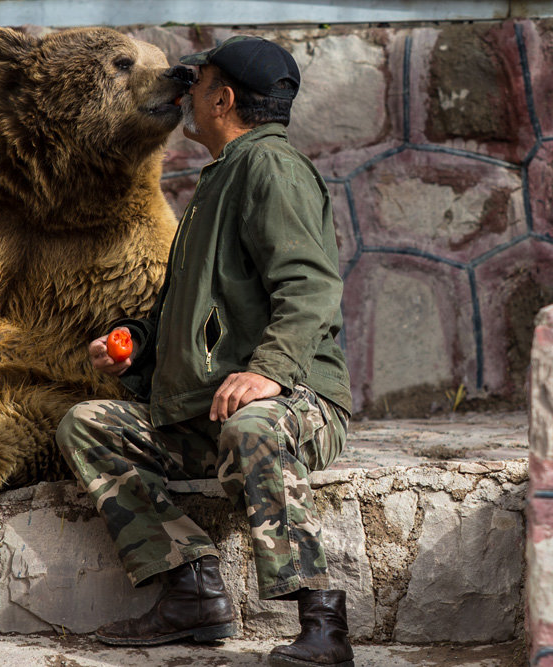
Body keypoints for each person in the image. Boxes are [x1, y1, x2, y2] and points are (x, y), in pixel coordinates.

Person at [56, 36, 354, 667]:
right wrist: (133, 345)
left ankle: (323, 622)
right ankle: (191, 591)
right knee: (89, 425)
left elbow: (312, 287)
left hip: (300, 399)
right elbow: (184, 316)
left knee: (253, 428)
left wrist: (268, 372)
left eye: (197, 81)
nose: (184, 91)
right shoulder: (222, 176)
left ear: (223, 98)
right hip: (205, 405)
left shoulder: (270, 167)